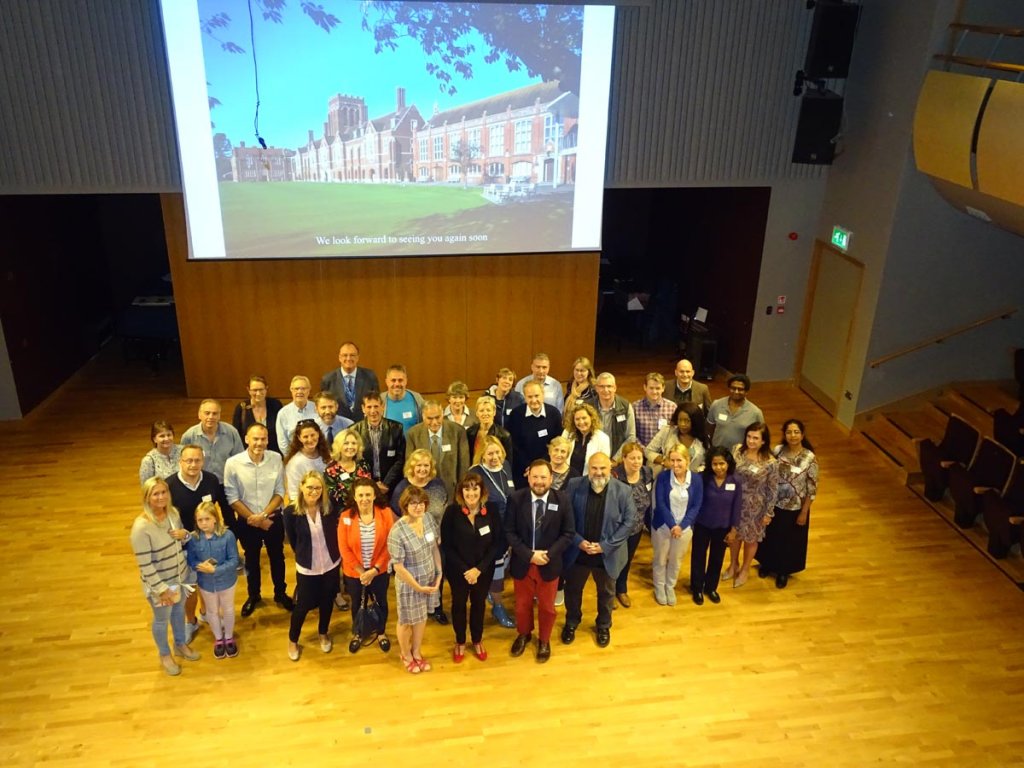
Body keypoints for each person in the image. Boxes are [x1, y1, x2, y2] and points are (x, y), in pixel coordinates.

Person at [561, 453, 634, 648]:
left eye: (603, 468)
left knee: (607, 593)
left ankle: (603, 625)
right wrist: (578, 541)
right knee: (573, 590)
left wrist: (605, 546)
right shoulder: (574, 485)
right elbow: (565, 518)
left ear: (610, 468)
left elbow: (629, 523)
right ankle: (572, 622)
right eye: (594, 468)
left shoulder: (623, 491)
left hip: (607, 554)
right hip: (578, 552)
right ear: (588, 468)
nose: (598, 472)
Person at [505, 460, 574, 663]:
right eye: (535, 476)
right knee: (521, 606)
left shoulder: (562, 500)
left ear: (551, 478)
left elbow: (568, 533)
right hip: (523, 562)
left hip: (549, 564)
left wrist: (548, 554)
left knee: (547, 608)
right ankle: (524, 634)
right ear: (528, 477)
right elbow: (509, 532)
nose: (539, 481)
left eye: (544, 477)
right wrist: (529, 555)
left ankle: (544, 640)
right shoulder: (516, 499)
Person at [130, 477, 200, 676]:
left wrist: (185, 535)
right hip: (161, 585)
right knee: (162, 620)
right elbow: (145, 565)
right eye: (155, 494)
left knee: (178, 613)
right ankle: (164, 654)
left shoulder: (173, 514)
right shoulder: (141, 528)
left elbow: (181, 540)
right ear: (147, 498)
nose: (161, 497)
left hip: (180, 577)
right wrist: (162, 589)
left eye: (164, 492)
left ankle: (180, 644)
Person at [224, 423, 292, 617]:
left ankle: (280, 593)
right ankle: (254, 595)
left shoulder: (275, 458)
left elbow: (280, 492)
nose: (259, 443)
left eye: (263, 439)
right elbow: (232, 498)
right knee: (251, 559)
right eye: (255, 439)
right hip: (247, 521)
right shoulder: (233, 463)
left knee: (277, 557)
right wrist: (254, 519)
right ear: (246, 439)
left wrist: (262, 517)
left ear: (267, 440)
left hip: (272, 519)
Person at [166, 444, 232, 641]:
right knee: (190, 588)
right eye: (188, 460)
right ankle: (191, 621)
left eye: (197, 460)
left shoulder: (211, 480)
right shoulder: (170, 485)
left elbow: (223, 507)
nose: (193, 465)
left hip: (209, 543)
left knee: (206, 582)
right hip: (184, 547)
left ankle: (205, 613)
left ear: (203, 461)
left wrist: (229, 532)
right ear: (180, 462)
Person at [441, 472, 505, 662]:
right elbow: (447, 546)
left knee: (478, 604)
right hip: (458, 571)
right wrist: (466, 571)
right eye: (466, 488)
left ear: (481, 490)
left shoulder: (491, 510)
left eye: (475, 488)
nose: (471, 492)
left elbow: (498, 543)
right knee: (459, 605)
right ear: (461, 491)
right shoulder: (451, 512)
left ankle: (477, 639)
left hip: (483, 571)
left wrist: (479, 569)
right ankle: (460, 641)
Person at [282, 471, 340, 661]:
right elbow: (293, 539)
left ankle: (323, 633)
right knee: (303, 605)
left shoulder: (329, 507)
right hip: (308, 567)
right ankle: (293, 640)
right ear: (301, 487)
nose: (314, 491)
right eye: (310, 487)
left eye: (318, 488)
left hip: (331, 564)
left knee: (327, 601)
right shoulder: (290, 512)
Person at [389, 448, 449, 624]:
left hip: (434, 538)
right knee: (415, 578)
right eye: (418, 465)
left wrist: (440, 533)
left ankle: (436, 607)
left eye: (426, 465)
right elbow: (394, 514)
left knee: (438, 572)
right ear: (411, 467)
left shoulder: (438, 483)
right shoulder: (402, 487)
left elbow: (444, 505)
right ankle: (419, 608)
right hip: (412, 543)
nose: (422, 469)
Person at [387, 485, 443, 673]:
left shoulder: (427, 519)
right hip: (410, 584)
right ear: (405, 505)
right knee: (406, 621)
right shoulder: (397, 531)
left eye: (421, 503)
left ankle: (417, 652)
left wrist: (439, 573)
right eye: (413, 503)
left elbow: (434, 547)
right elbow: (398, 567)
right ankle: (405, 654)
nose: (418, 507)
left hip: (428, 580)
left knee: (421, 618)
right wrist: (418, 587)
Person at [758, 419, 818, 589]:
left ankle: (783, 571)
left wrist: (804, 512)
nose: (793, 435)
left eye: (796, 432)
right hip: (773, 503)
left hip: (794, 507)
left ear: (802, 434)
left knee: (788, 542)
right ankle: (767, 564)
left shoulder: (809, 457)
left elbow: (812, 488)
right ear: (784, 434)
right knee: (770, 536)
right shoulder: (778, 451)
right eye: (789, 432)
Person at [338, 477, 394, 652]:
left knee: (381, 602)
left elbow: (389, 544)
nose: (365, 499)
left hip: (379, 571)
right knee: (357, 603)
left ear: (374, 495)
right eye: (360, 495)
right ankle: (359, 632)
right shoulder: (346, 517)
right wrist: (362, 572)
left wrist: (375, 570)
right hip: (355, 573)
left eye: (368, 494)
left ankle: (381, 632)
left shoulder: (385, 513)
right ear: (354, 497)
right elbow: (344, 548)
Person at [468, 435, 517, 628]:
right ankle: (498, 606)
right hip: (489, 532)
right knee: (496, 571)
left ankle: (491, 592)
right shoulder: (476, 473)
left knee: (502, 567)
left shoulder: (506, 467)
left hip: (508, 529)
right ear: (482, 455)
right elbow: (469, 502)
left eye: (497, 452)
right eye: (490, 453)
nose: (495, 457)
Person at [725, 422, 779, 588]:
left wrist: (769, 513)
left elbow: (773, 489)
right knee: (734, 536)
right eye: (749, 436)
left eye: (756, 438)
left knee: (751, 539)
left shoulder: (770, 462)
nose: (751, 441)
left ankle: (745, 569)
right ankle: (733, 564)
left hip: (755, 506)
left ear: (763, 441)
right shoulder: (737, 450)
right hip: (735, 502)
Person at [184, 500, 239, 658]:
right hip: (206, 583)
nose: (204, 523)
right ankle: (218, 639)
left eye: (207, 519)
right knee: (212, 611)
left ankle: (229, 636)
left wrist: (215, 569)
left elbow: (234, 560)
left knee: (228, 609)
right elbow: (192, 560)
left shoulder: (227, 536)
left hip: (227, 582)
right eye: (200, 520)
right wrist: (200, 567)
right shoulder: (194, 539)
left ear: (215, 518)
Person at [650, 445, 703, 605]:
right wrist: (673, 525)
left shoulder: (697, 479)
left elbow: (696, 505)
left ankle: (670, 586)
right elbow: (660, 504)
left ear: (687, 460)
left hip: (684, 529)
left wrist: (682, 526)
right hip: (663, 526)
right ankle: (659, 586)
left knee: (676, 560)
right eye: (671, 460)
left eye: (679, 460)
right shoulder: (663, 477)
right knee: (660, 558)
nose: (675, 464)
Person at [690, 447, 741, 606]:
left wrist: (734, 530)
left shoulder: (736, 481)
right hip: (702, 525)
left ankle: (711, 587)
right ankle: (697, 588)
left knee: (717, 558)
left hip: (722, 527)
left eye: (722, 464)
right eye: (714, 464)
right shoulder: (702, 479)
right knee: (698, 556)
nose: (718, 467)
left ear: (728, 463)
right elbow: (695, 501)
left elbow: (737, 506)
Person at [610, 441, 653, 607]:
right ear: (624, 458)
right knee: (613, 560)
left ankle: (621, 589)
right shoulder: (615, 475)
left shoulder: (646, 473)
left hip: (636, 527)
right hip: (617, 527)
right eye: (632, 458)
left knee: (627, 560)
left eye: (639, 458)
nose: (636, 462)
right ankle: (610, 591)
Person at [406, 400, 470, 500]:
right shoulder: (413, 434)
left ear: (443, 414)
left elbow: (464, 465)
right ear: (423, 416)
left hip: (451, 490)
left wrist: (462, 488)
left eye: (437, 417)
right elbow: (409, 466)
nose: (434, 422)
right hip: (422, 490)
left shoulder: (457, 431)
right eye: (430, 419)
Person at [507, 380, 563, 488]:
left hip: (547, 467)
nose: (534, 400)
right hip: (523, 470)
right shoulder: (516, 414)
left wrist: (541, 465)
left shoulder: (554, 414)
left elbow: (556, 443)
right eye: (529, 396)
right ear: (525, 397)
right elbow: (513, 444)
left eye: (537, 396)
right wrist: (530, 467)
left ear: (543, 394)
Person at [351, 391, 406, 498]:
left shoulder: (396, 428)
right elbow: (355, 461)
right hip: (365, 487)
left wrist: (386, 483)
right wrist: (371, 484)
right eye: (369, 407)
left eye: (376, 406)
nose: (373, 411)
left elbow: (400, 459)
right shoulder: (354, 431)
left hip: (391, 486)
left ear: (383, 407)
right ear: (363, 408)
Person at [180, 399, 244, 481]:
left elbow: (240, 459)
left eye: (215, 413)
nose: (211, 417)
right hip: (201, 483)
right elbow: (183, 463)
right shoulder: (189, 436)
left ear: (219, 416)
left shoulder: (231, 432)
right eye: (207, 413)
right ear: (199, 415)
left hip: (226, 481)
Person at [319, 341, 380, 421]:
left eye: (352, 355)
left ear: (358, 357)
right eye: (345, 355)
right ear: (339, 357)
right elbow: (323, 404)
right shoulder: (328, 379)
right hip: (339, 426)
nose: (348, 358)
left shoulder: (370, 376)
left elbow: (376, 401)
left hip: (363, 425)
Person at [645, 402, 709, 477]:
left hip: (691, 481)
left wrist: (694, 472)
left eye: (687, 421)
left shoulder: (703, 439)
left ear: (695, 421)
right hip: (667, 478)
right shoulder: (668, 431)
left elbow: (705, 464)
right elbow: (648, 451)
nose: (682, 424)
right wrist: (664, 461)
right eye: (680, 420)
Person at [707, 374, 765, 449]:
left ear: (746, 391)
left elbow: (761, 435)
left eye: (740, 389)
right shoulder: (716, 405)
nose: (736, 391)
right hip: (718, 452)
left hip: (740, 455)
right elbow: (710, 427)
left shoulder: (755, 412)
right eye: (733, 388)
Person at [232, 375, 284, 455]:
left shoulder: (275, 405)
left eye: (261, 389)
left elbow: (281, 431)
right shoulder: (241, 408)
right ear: (248, 390)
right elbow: (236, 435)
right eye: (254, 390)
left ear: (266, 389)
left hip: (273, 454)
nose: (258, 393)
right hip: (249, 455)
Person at [324, 427, 372, 512]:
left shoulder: (363, 464)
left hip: (366, 509)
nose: (350, 447)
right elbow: (334, 499)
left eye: (354, 443)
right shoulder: (330, 470)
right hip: (343, 513)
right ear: (338, 446)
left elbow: (369, 488)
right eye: (346, 443)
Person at [283, 419, 331, 504]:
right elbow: (294, 495)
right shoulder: (295, 463)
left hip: (327, 503)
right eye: (305, 437)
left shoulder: (327, 455)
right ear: (299, 438)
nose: (310, 439)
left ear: (318, 434)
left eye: (313, 435)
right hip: (305, 506)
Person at [561, 402, 611, 479]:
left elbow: (603, 464)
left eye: (584, 418)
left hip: (590, 480)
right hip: (566, 479)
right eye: (577, 419)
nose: (581, 422)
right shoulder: (567, 433)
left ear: (591, 417)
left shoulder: (603, 438)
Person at [594, 372, 636, 462]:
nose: (606, 390)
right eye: (602, 386)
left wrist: (615, 459)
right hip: (592, 458)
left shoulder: (626, 407)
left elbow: (631, 437)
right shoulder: (588, 407)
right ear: (596, 388)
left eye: (609, 386)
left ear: (615, 388)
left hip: (617, 460)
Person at [632, 372, 678, 447]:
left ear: (663, 388)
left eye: (657, 388)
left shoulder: (672, 407)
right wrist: (645, 451)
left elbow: (675, 433)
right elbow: (633, 434)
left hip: (664, 453)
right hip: (641, 453)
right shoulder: (635, 407)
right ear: (645, 387)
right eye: (651, 388)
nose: (654, 392)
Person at [466, 395, 513, 466]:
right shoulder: (470, 432)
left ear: (494, 412)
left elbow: (507, 462)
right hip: (475, 472)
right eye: (481, 410)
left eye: (488, 410)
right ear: (477, 413)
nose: (485, 413)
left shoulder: (504, 435)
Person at [275, 375, 318, 454]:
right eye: (296, 389)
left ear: (309, 390)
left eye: (303, 389)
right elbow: (283, 443)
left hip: (317, 455)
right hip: (293, 457)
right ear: (291, 390)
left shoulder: (317, 409)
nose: (299, 392)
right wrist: (292, 458)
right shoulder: (283, 413)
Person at [383, 364, 425, 434]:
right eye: (393, 380)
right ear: (387, 382)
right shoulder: (380, 400)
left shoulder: (417, 398)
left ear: (406, 381)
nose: (397, 384)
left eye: (400, 380)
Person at [139, 420, 182, 484]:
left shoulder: (184, 451)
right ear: (154, 439)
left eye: (169, 435)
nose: (166, 438)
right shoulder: (149, 460)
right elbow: (146, 488)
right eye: (162, 436)